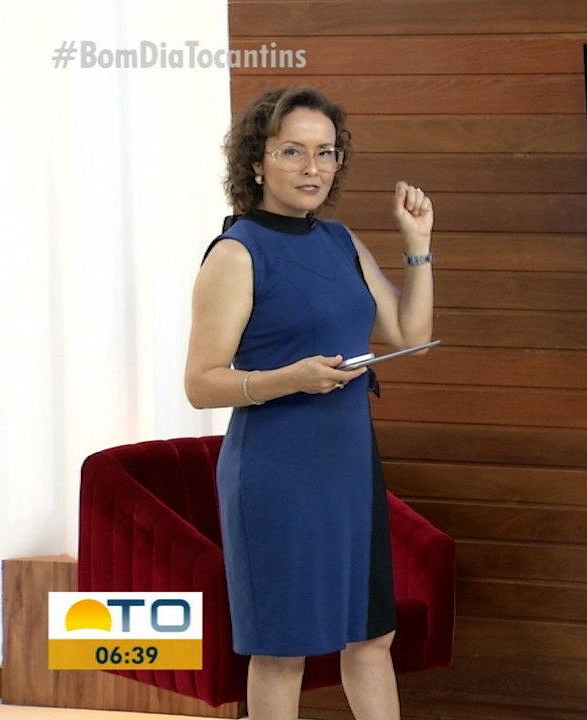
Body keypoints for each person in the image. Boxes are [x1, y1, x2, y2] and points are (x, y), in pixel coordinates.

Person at [184, 86, 433, 720]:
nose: (312, 167)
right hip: (277, 473)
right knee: (281, 651)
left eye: (326, 152)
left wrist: (418, 245)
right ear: (256, 162)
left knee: (372, 638)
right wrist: (289, 378)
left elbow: (411, 335)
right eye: (292, 151)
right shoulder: (236, 253)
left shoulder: (341, 241)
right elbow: (201, 383)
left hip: (350, 468)